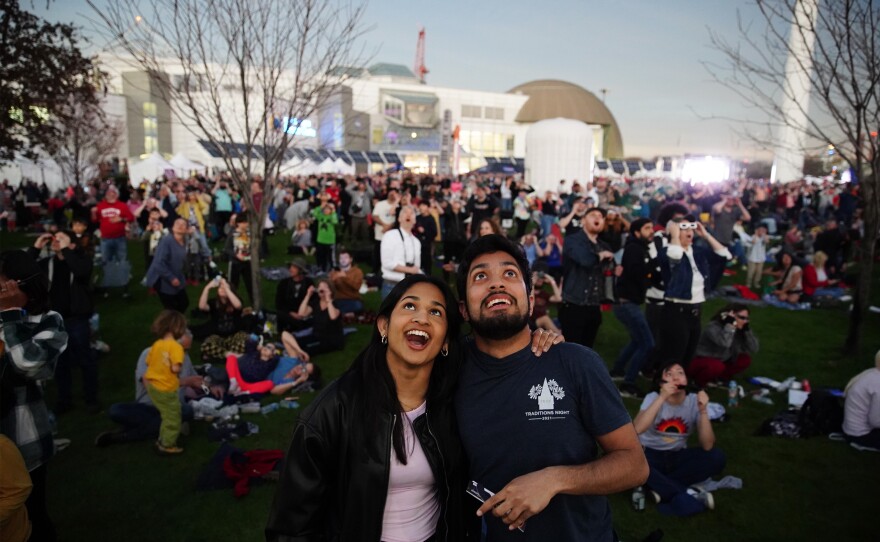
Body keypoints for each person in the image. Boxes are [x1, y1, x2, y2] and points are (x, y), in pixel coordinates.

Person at [454, 234, 648, 539]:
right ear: (464, 310)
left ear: (531, 301)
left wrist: (554, 480)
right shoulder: (448, 370)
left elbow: (634, 464)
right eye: (481, 276)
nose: (496, 284)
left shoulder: (576, 363)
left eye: (509, 273)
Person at [267, 275, 469, 541]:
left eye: (435, 311)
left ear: (445, 342)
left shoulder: (453, 402)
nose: (421, 318)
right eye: (409, 306)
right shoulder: (332, 410)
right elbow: (290, 528)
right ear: (384, 325)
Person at [0, 250, 68, 542]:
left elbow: (28, 363)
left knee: (33, 520)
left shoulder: (49, 321)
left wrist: (10, 316)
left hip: (24, 442)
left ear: (18, 286)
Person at [95, 329, 222, 446]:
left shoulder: (185, 359)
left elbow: (197, 381)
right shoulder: (148, 354)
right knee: (116, 410)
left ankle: (125, 435)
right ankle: (169, 426)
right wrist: (183, 382)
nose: (184, 353)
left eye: (187, 350)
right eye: (182, 349)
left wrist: (210, 389)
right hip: (149, 407)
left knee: (186, 411)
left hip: (174, 408)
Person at [633, 362, 726, 516]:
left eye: (680, 373)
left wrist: (703, 411)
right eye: (669, 374)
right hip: (648, 455)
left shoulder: (694, 401)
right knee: (633, 463)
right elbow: (636, 429)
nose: (675, 376)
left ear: (686, 380)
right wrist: (662, 397)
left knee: (717, 457)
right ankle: (689, 494)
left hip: (676, 456)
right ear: (660, 382)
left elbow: (708, 445)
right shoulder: (653, 397)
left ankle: (658, 487)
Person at [28, 230, 97, 415]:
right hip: (54, 321)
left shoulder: (80, 261)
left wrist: (67, 250)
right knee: (60, 363)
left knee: (85, 359)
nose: (56, 241)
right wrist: (36, 247)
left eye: (61, 239)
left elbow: (82, 272)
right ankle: (64, 399)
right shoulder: (47, 264)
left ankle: (91, 399)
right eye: (55, 239)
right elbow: (23, 270)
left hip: (77, 319)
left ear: (72, 245)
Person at [655, 216, 731, 369]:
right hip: (676, 310)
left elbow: (725, 256)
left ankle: (681, 389)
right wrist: (674, 234)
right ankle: (662, 388)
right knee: (674, 357)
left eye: (691, 229)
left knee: (688, 355)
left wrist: (706, 235)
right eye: (684, 229)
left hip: (695, 310)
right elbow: (675, 256)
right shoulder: (666, 252)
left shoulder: (696, 252)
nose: (690, 232)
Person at [611, 218, 655, 398]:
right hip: (626, 303)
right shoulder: (634, 249)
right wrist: (652, 268)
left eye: (652, 227)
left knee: (637, 340)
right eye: (647, 228)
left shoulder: (639, 248)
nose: (651, 231)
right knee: (647, 344)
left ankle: (617, 371)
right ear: (637, 232)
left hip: (628, 302)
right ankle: (628, 384)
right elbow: (638, 273)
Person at [560, 207, 614, 348]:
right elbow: (585, 259)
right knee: (571, 353)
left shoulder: (604, 245)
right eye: (593, 215)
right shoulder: (572, 240)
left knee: (587, 352)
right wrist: (600, 256)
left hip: (594, 306)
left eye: (601, 216)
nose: (597, 218)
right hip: (574, 305)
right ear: (583, 220)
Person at [142, 310, 189, 455]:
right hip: (166, 388)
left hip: (153, 386)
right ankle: (167, 445)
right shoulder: (176, 347)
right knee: (173, 417)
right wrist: (176, 367)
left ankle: (162, 439)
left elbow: (148, 361)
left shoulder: (157, 344)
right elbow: (175, 368)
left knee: (166, 415)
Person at [689, 304, 759, 388]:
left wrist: (747, 331)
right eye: (742, 318)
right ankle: (698, 384)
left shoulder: (740, 330)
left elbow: (754, 348)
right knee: (717, 366)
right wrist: (730, 326)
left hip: (720, 360)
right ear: (729, 316)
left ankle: (719, 378)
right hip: (700, 361)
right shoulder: (713, 327)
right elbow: (725, 343)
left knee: (744, 359)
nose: (745, 321)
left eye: (747, 318)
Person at [91, 184, 134, 298]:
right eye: (109, 192)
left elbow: (131, 218)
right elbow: (95, 220)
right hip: (106, 239)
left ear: (117, 194)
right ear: (106, 195)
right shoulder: (100, 206)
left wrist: (121, 219)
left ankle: (125, 287)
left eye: (114, 192)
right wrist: (93, 213)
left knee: (122, 261)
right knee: (106, 262)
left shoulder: (122, 205)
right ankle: (107, 287)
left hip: (120, 238)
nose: (111, 194)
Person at [144, 218, 189, 313]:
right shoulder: (166, 241)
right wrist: (171, 278)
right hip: (163, 279)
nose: (180, 225)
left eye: (183, 224)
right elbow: (158, 263)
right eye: (177, 223)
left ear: (186, 229)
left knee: (184, 303)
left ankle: (177, 323)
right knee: (171, 308)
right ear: (172, 227)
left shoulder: (185, 241)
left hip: (177, 276)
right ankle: (170, 325)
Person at [380, 205, 422, 299]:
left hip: (410, 286)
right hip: (392, 286)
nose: (408, 215)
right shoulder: (390, 236)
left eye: (411, 213)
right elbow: (387, 263)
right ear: (399, 219)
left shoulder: (416, 242)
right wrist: (410, 270)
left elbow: (417, 267)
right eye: (405, 212)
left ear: (415, 220)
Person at [294, 279, 344, 356]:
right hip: (316, 335)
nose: (321, 289)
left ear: (330, 290)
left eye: (325, 287)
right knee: (295, 342)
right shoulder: (316, 302)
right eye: (320, 286)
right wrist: (308, 295)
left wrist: (328, 299)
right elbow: (301, 313)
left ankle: (296, 355)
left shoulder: (334, 304)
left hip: (330, 339)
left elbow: (333, 317)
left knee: (307, 349)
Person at [843, 350, 880, 451]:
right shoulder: (878, 383)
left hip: (850, 428)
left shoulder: (871, 373)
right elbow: (875, 421)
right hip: (860, 435)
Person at [274, 259, 314, 333]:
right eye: (291, 267)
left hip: (304, 313)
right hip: (289, 313)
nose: (291, 269)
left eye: (294, 267)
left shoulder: (308, 283)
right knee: (280, 314)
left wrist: (304, 312)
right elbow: (279, 303)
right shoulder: (284, 284)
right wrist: (291, 313)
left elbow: (313, 300)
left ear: (300, 270)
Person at [328, 249, 364, 316]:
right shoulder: (335, 272)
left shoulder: (357, 272)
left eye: (345, 258)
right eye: (341, 258)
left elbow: (357, 287)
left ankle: (338, 313)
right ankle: (345, 313)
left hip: (352, 299)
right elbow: (329, 288)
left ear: (351, 259)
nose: (343, 260)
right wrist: (332, 279)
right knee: (329, 304)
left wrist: (344, 277)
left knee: (358, 306)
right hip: (338, 299)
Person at [744, 224, 768, 290]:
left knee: (759, 272)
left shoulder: (764, 237)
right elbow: (753, 241)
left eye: (763, 231)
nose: (762, 232)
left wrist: (764, 235)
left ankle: (756, 283)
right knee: (751, 272)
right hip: (752, 257)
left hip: (761, 258)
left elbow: (767, 241)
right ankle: (748, 283)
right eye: (760, 230)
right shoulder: (753, 237)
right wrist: (756, 234)